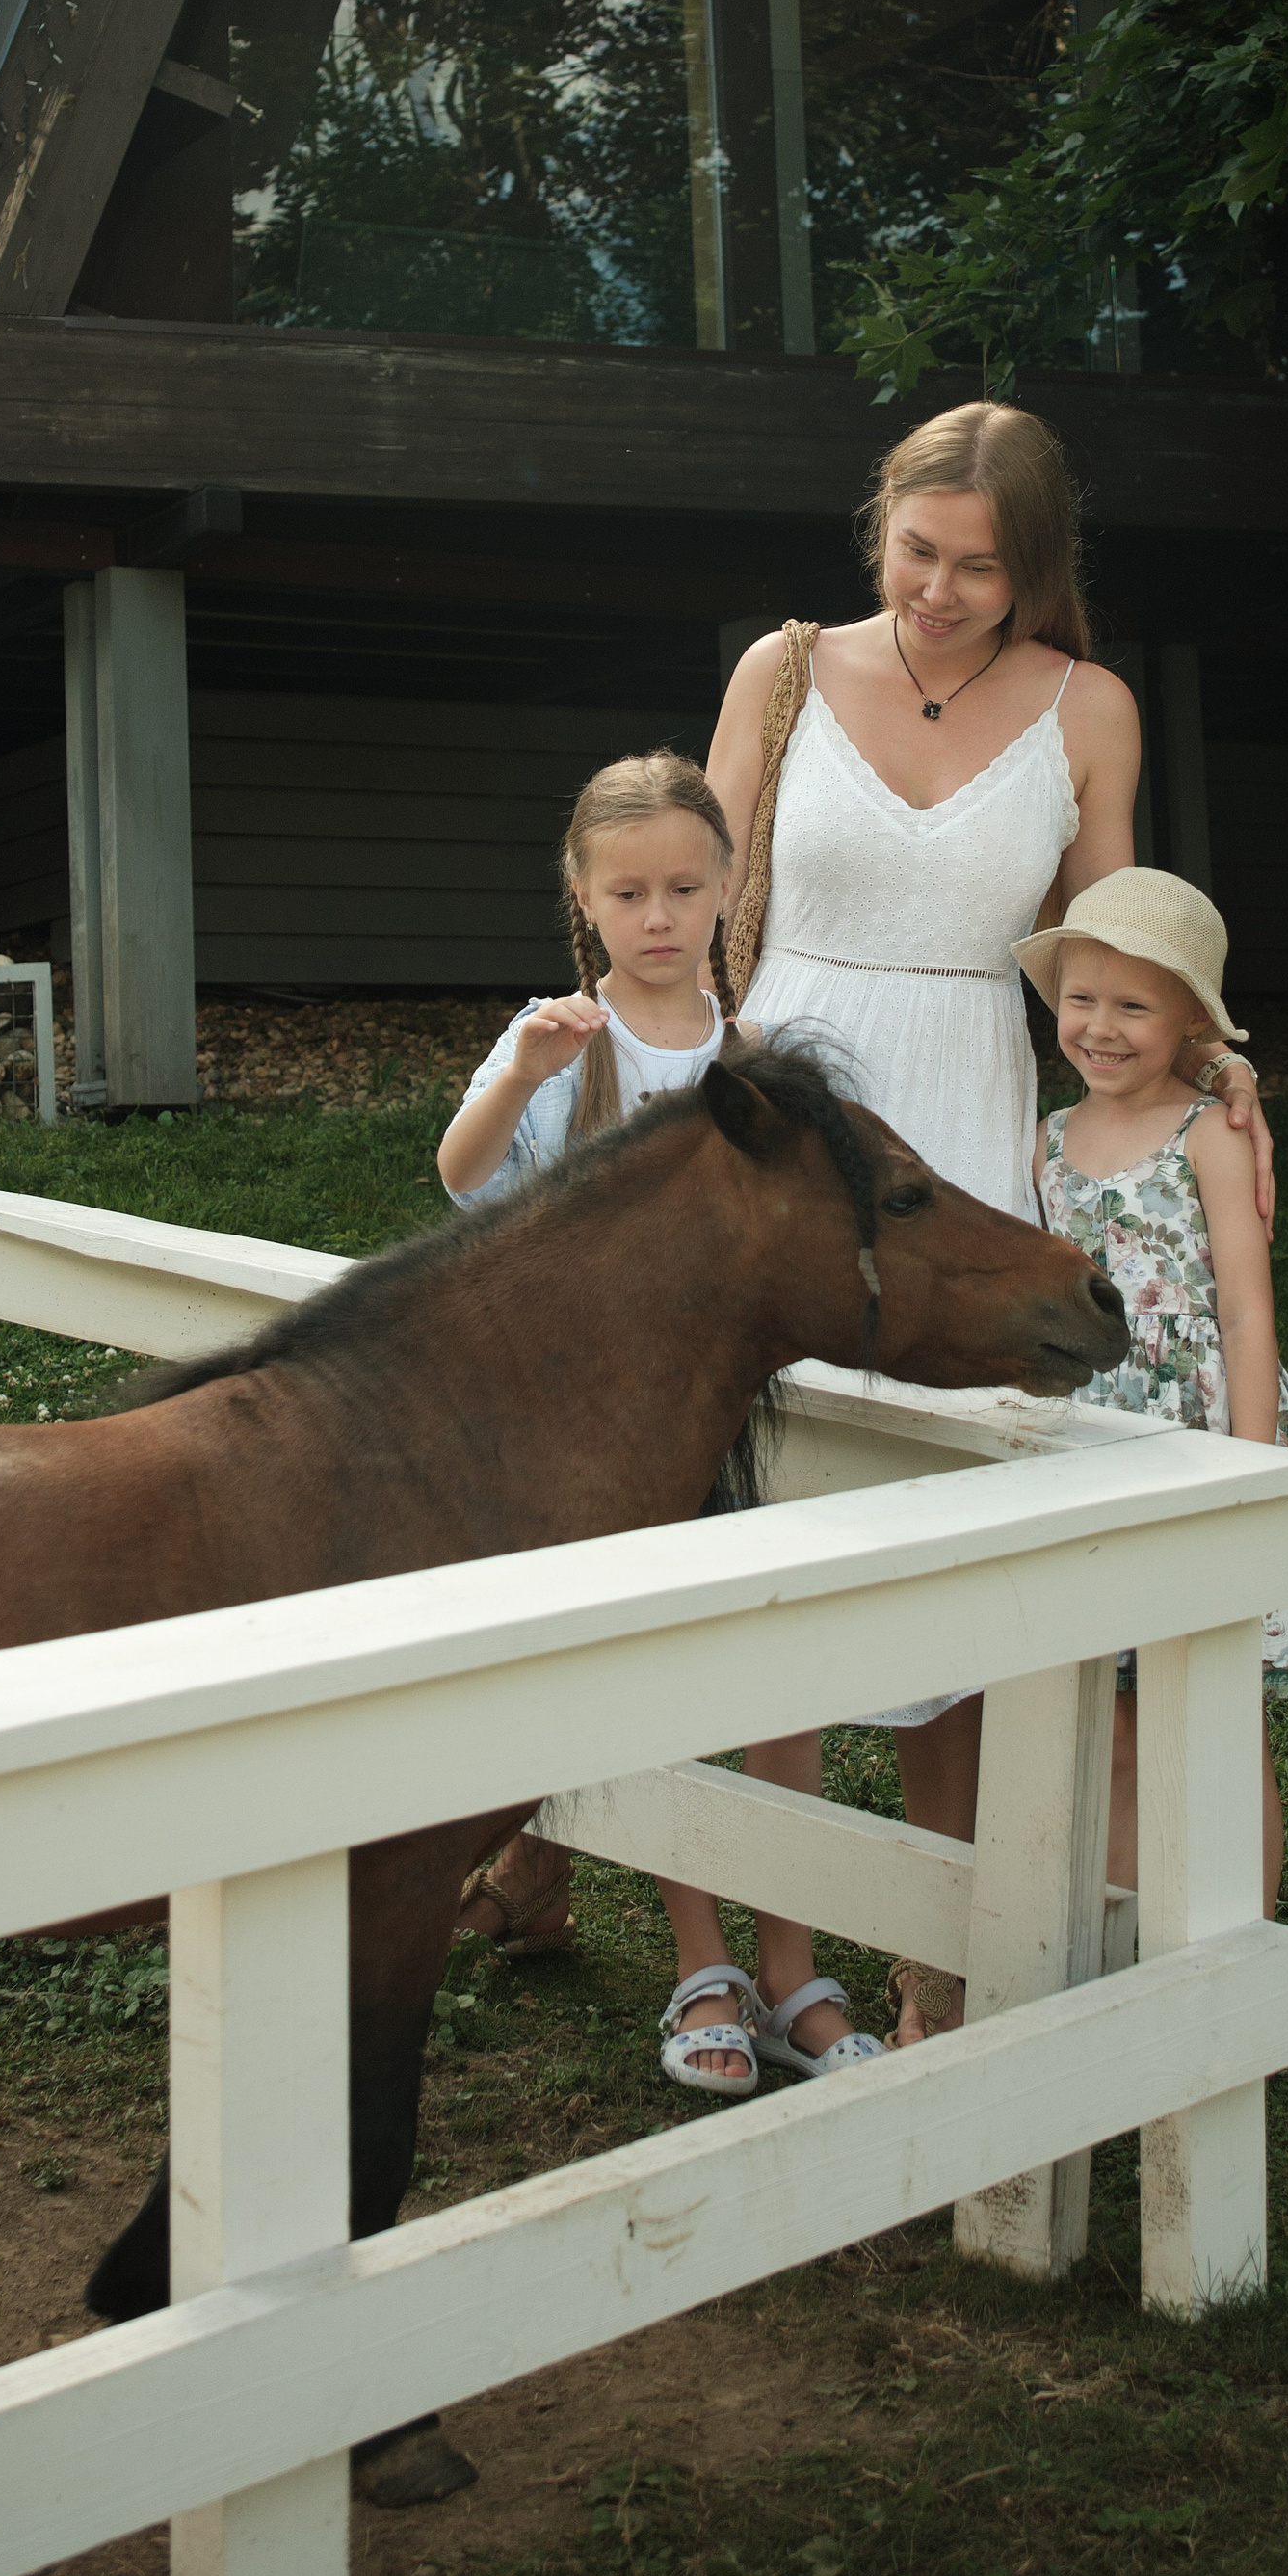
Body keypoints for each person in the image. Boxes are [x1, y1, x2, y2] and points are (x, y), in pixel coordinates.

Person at [705, 400, 1274, 2041]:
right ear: (877, 531)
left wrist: (1223, 1076)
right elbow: (687, 889)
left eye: (982, 569)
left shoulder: (1089, 707)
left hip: (968, 1130)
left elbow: (1123, 952)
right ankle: (779, 1959)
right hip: (789, 1123)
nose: (944, 592)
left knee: (950, 1541)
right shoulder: (785, 671)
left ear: (1038, 575)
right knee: (781, 1532)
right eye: (919, 553)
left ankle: (939, 1967)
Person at [436, 750, 884, 2094]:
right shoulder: (560, 1040)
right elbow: (464, 1187)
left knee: (781, 1687)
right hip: (601, 1442)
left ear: (727, 890)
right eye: (627, 892)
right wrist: (517, 1078)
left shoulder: (753, 1062)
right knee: (676, 1692)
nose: (658, 917)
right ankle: (704, 1969)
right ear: (582, 897)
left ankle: (793, 1966)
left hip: (730, 1426)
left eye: (685, 887)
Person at [1017, 865, 1288, 1918]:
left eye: (1134, 1004)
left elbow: (1245, 1312)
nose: (1101, 1026)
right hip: (1093, 1445)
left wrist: (1251, 1467)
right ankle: (1132, 1937)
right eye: (1081, 999)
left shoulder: (1210, 1134)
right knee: (1119, 1710)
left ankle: (1234, 1929)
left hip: (1197, 1440)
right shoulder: (1043, 1139)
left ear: (1189, 1021)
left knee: (1216, 1706)